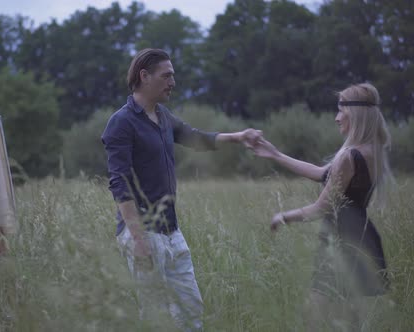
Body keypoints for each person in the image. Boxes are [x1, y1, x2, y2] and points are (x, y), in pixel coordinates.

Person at [101, 48, 262, 331]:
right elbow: (119, 183)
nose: (173, 82)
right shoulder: (121, 122)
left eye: (173, 76)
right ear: (144, 76)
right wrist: (139, 240)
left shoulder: (163, 116)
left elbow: (196, 139)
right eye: (167, 76)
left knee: (190, 309)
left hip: (171, 231)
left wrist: (240, 136)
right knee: (155, 317)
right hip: (142, 233)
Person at [251, 83, 392, 330]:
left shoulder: (350, 156)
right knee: (350, 320)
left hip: (342, 241)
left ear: (355, 115)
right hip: (361, 236)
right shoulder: (373, 150)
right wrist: (275, 155)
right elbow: (321, 173)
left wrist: (282, 216)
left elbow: (321, 207)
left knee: (314, 316)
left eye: (340, 111)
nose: (336, 118)